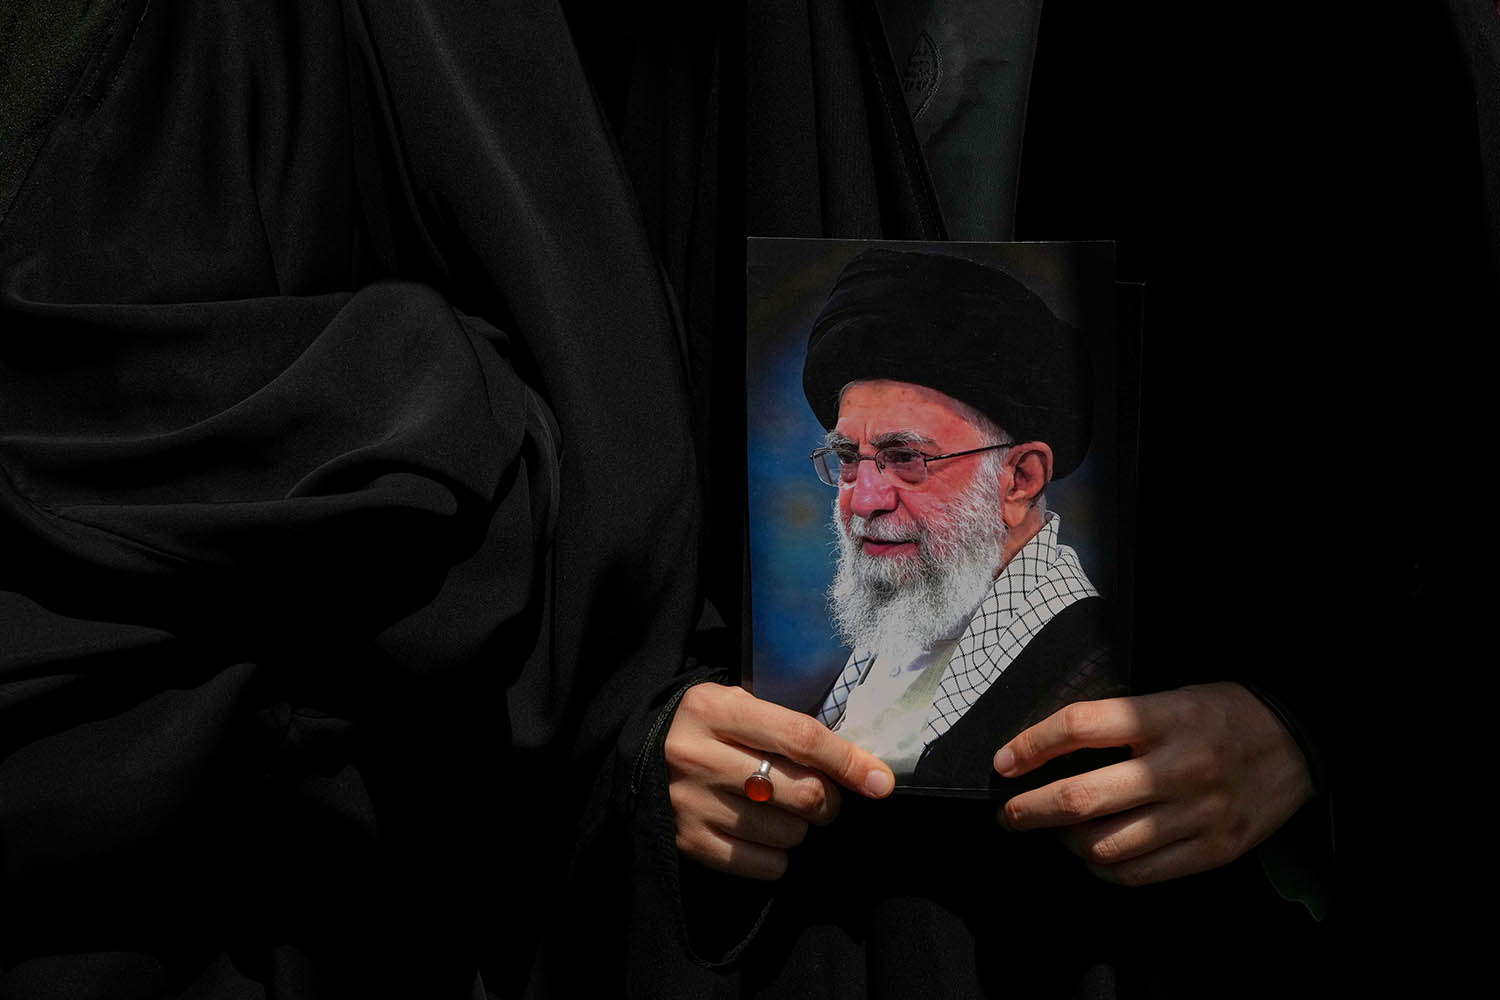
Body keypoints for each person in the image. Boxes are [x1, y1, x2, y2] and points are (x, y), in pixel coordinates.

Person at [800, 248, 1124, 789]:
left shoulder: (1097, 675)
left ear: (1019, 480)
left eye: (906, 458)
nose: (863, 500)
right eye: (849, 459)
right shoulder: (894, 640)